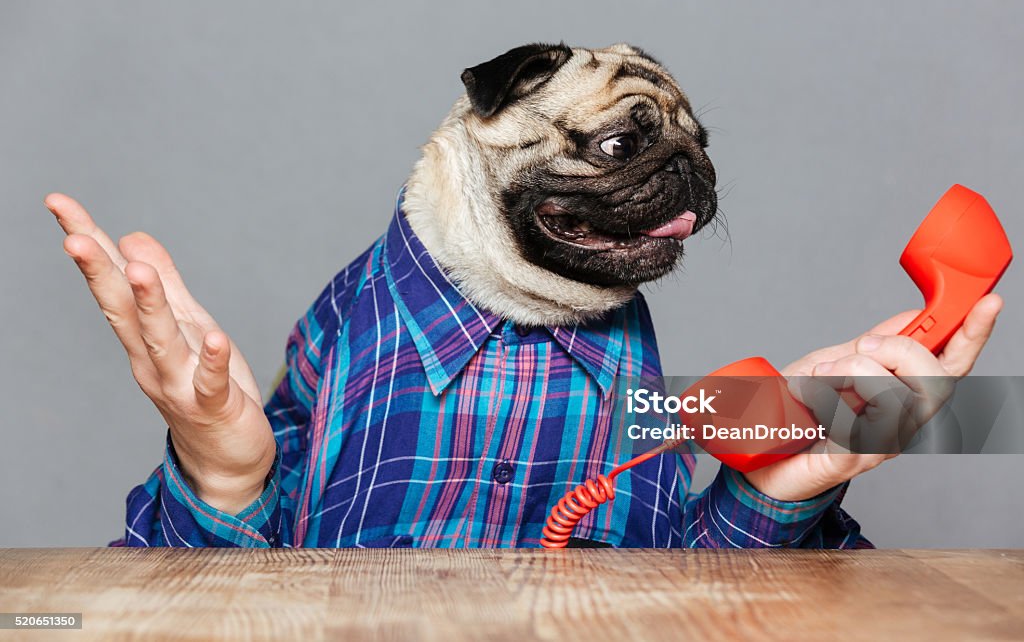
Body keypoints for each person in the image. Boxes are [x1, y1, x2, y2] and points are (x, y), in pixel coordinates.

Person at [44, 193, 1002, 548]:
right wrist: (221, 472)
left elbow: (690, 601)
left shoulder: (651, 394)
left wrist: (780, 493)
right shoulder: (351, 330)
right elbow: (170, 617)